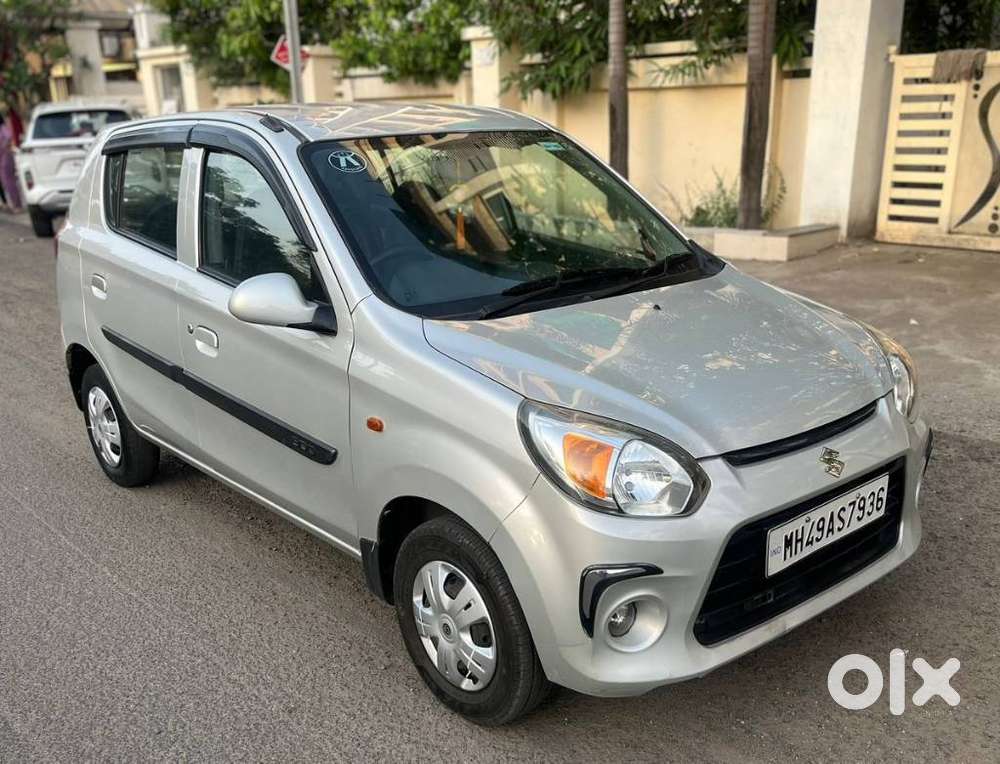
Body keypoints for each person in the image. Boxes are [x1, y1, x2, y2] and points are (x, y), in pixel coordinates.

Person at [0, 111, 24, 213]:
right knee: (6, 182)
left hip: (6, 156)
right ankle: (13, 204)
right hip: (2, 157)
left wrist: (3, 146)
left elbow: (9, 137)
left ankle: (17, 205)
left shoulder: (2, 128)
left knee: (9, 181)